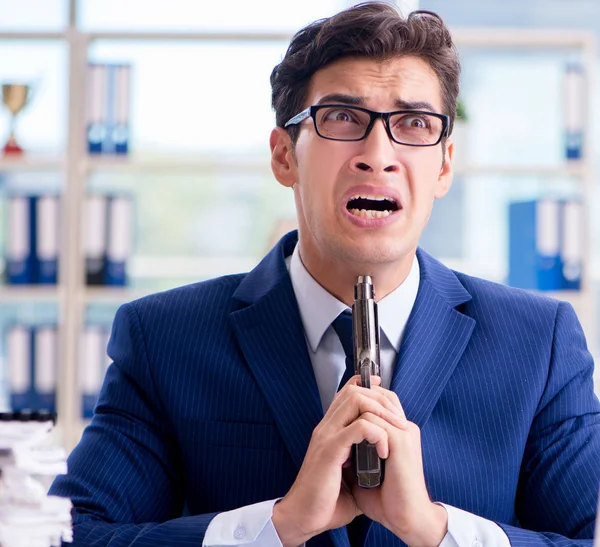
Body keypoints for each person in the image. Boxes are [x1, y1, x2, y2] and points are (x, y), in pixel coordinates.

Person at [50, 3, 600, 546]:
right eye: (342, 118)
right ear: (284, 155)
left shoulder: (539, 342)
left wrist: (432, 529)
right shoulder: (165, 338)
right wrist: (279, 524)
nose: (378, 154)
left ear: (445, 164)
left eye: (413, 123)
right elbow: (71, 537)